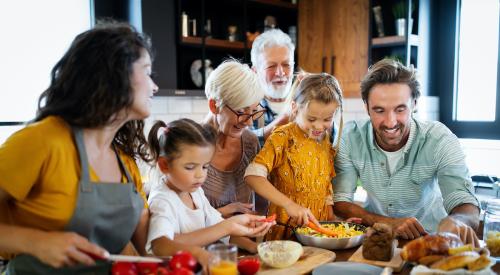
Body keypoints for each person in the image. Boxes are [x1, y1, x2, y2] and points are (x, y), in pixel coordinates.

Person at [0, 22, 204, 274]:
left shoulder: (125, 163)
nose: (154, 86)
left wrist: (192, 257)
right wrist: (37, 242)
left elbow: (147, 251)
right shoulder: (41, 141)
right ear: (114, 73)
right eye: (147, 72)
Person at [332, 59, 481, 246]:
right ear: (366, 107)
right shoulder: (350, 138)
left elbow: (465, 202)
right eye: (379, 110)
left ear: (414, 104)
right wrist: (388, 223)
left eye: (400, 109)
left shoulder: (440, 139)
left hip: (432, 241)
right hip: (375, 241)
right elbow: (340, 202)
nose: (390, 122)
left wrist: (457, 222)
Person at [145, 119, 274, 255]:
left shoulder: (195, 192)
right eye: (190, 167)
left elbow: (219, 231)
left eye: (205, 166)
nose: (200, 174)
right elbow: (160, 245)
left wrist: (255, 247)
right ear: (164, 165)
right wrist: (226, 228)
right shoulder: (163, 200)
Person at [245, 73, 349, 240]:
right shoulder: (283, 138)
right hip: (286, 232)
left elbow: (325, 191)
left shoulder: (325, 142)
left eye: (327, 119)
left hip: (318, 232)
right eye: (311, 118)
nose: (318, 126)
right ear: (294, 107)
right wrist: (288, 204)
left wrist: (335, 223)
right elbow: (252, 176)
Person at [202, 60, 267, 218]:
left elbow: (260, 205)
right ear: (214, 106)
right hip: (202, 243)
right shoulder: (189, 145)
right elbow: (180, 224)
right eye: (240, 112)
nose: (249, 122)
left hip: (244, 241)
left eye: (253, 111)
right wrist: (223, 212)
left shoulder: (250, 142)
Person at [250, 29, 295, 145]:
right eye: (271, 66)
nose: (280, 73)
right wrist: (285, 119)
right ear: (255, 71)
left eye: (286, 65)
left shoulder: (306, 101)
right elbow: (244, 145)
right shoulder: (247, 108)